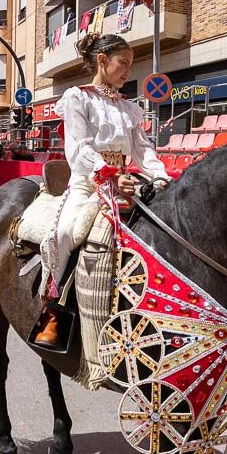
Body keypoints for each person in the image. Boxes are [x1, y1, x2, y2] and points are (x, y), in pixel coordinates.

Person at [35, 32, 171, 349]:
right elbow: (78, 151)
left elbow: (143, 150)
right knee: (66, 232)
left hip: (125, 182)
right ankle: (52, 313)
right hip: (87, 184)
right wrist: (107, 177)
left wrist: (161, 176)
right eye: (123, 63)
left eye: (130, 64)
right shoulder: (77, 98)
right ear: (102, 61)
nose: (127, 70)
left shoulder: (129, 108)